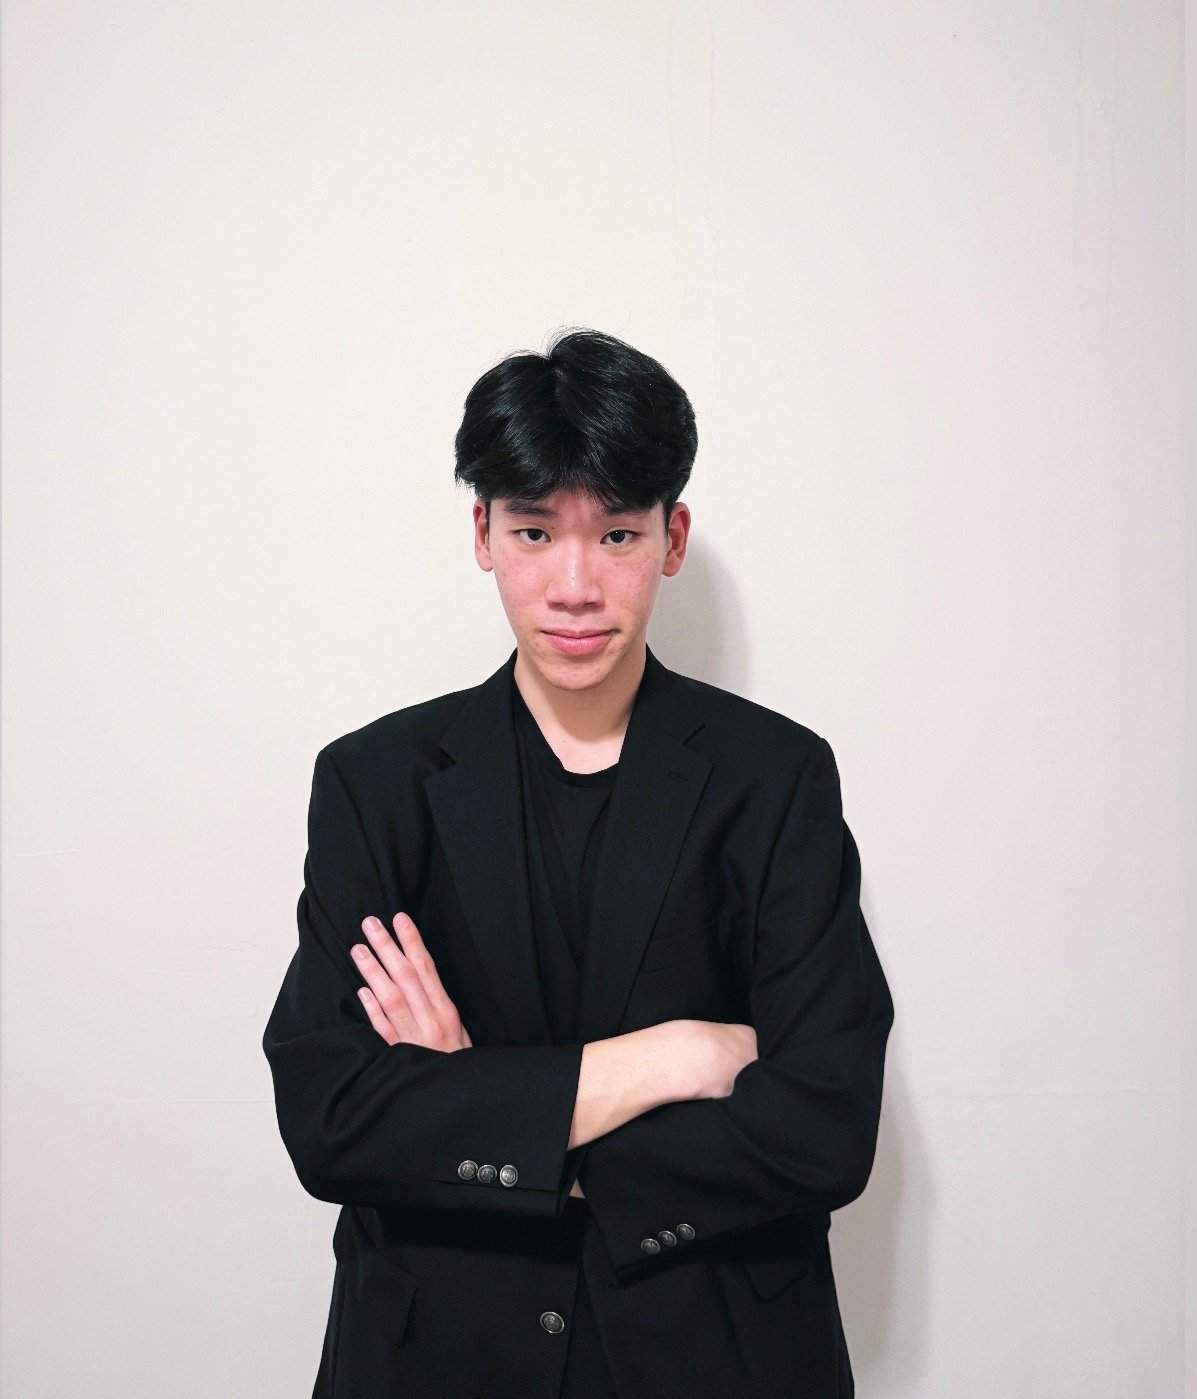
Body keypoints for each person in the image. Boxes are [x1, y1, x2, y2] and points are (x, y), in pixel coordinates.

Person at [262, 327, 895, 1398]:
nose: (573, 586)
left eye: (616, 535)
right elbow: (332, 1119)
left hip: (713, 1354)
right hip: (441, 1357)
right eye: (533, 530)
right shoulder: (375, 782)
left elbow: (823, 1128)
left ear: (672, 537)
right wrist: (672, 1059)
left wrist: (475, 1102)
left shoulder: (777, 778)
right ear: (482, 533)